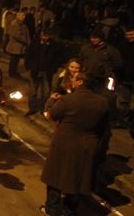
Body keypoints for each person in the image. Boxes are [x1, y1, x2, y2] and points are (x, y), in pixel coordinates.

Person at [40, 72, 108, 215]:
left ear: (80, 82)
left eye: (74, 79)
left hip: (65, 142)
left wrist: (51, 102)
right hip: (88, 144)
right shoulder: (102, 102)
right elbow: (104, 125)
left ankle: (52, 209)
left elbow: (50, 115)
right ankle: (70, 208)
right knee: (78, 177)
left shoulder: (68, 100)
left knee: (55, 176)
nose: (72, 81)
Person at [24, 28, 62, 116]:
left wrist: (53, 69)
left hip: (47, 72)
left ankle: (43, 109)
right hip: (35, 71)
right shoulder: (35, 43)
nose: (44, 37)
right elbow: (29, 55)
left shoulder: (55, 45)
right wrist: (29, 66)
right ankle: (32, 108)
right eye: (43, 35)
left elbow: (58, 58)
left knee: (45, 93)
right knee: (33, 92)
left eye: (46, 35)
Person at [6, 11, 29, 79]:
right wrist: (25, 41)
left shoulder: (20, 23)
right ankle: (12, 72)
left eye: (24, 16)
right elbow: (17, 35)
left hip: (17, 46)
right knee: (14, 60)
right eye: (22, 16)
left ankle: (13, 71)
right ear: (18, 16)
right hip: (15, 46)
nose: (24, 17)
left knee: (15, 60)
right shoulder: (16, 24)